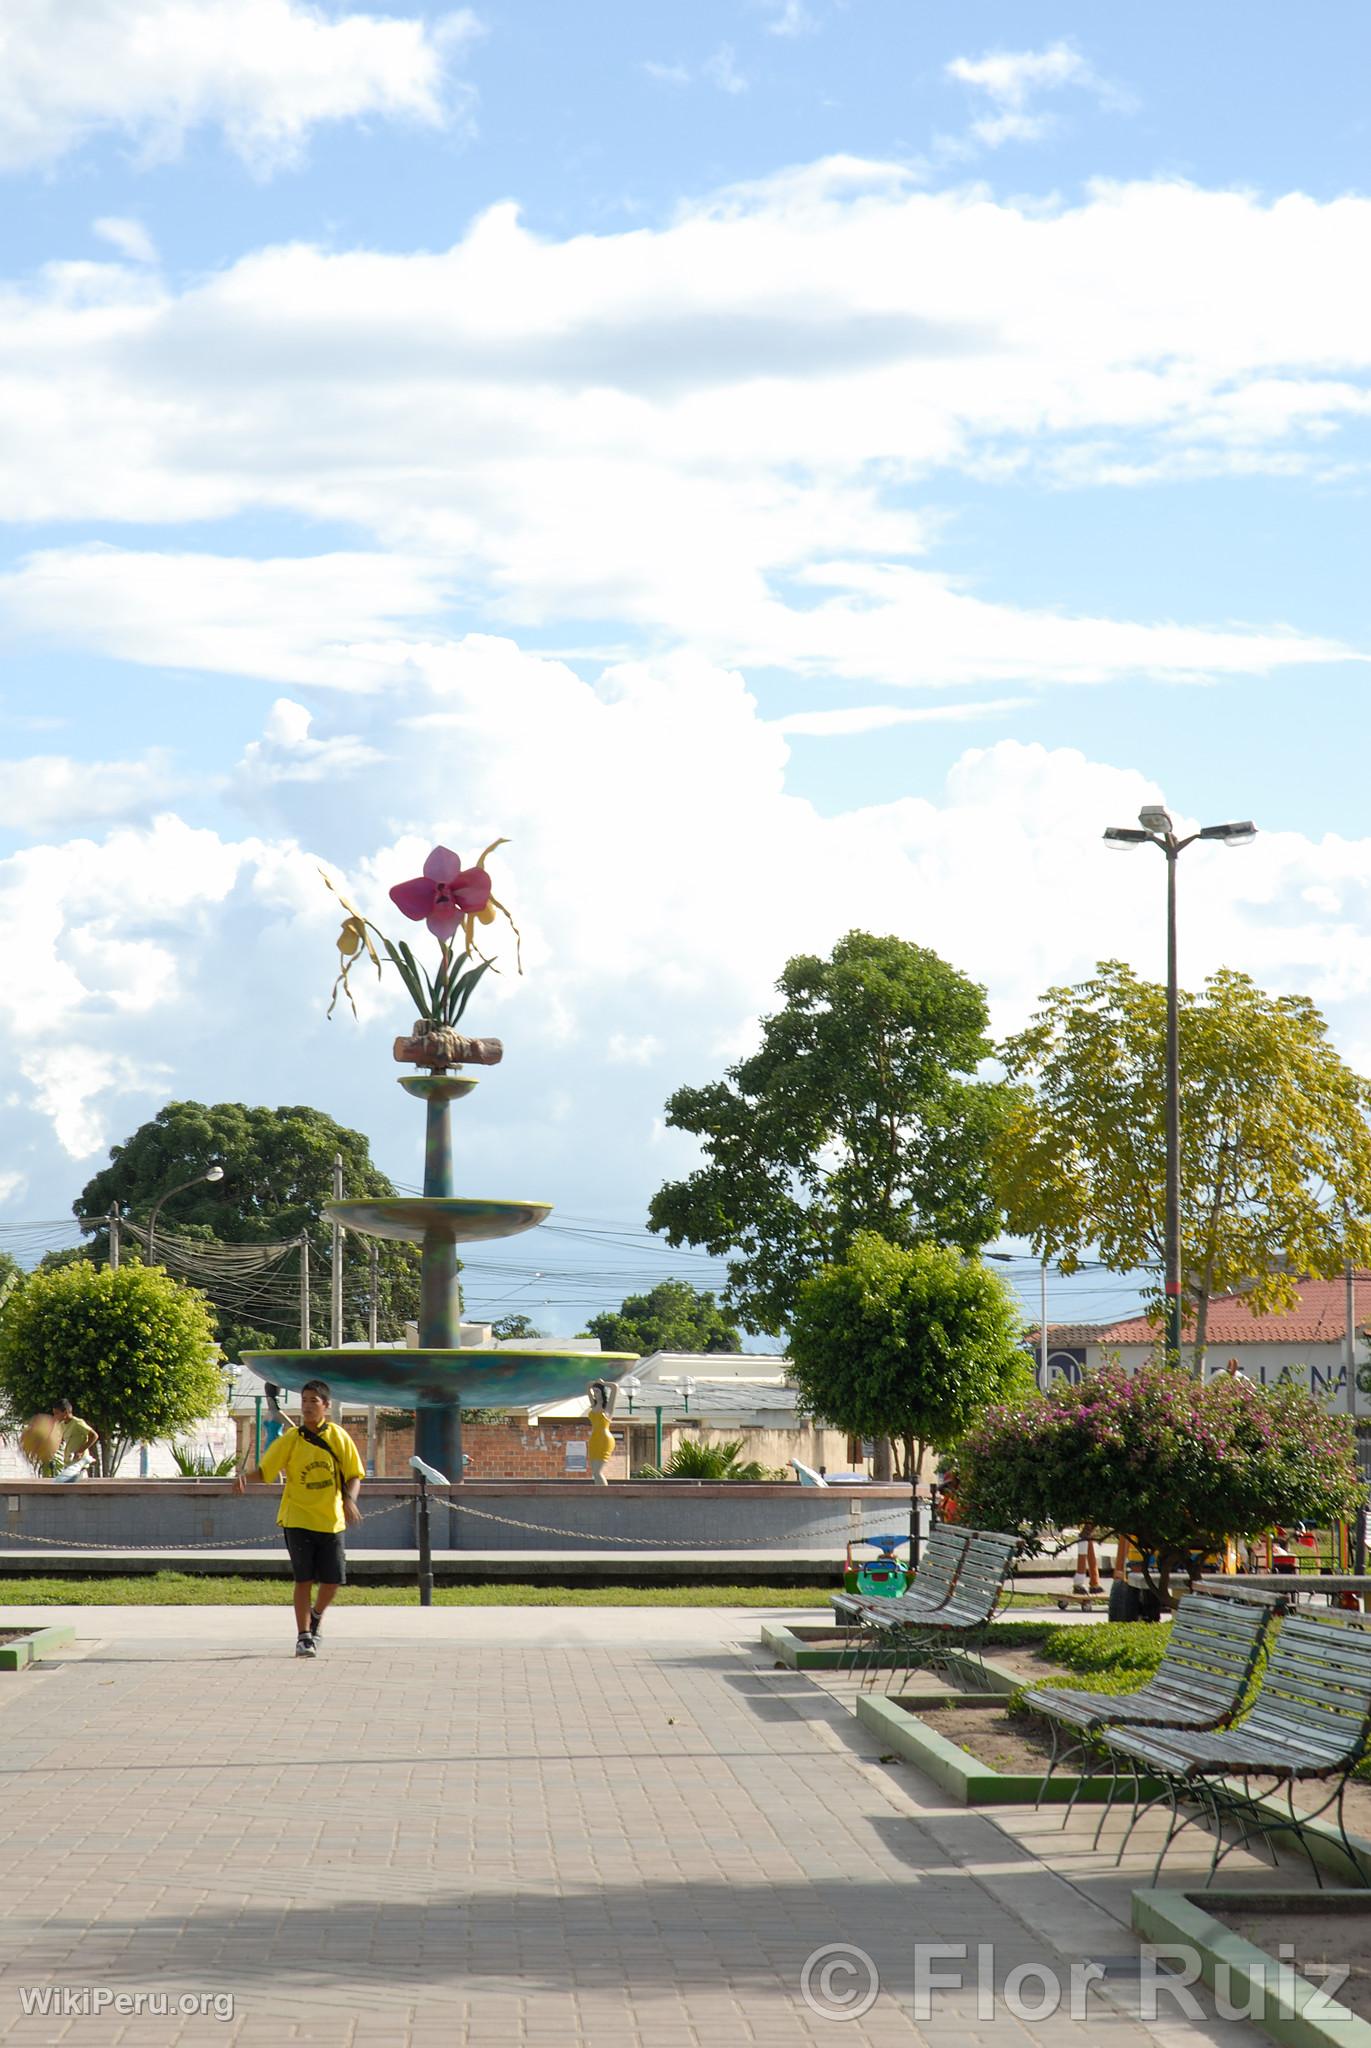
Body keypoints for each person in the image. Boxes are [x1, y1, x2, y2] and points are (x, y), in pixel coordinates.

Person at [234, 1378, 363, 1657]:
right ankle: (304, 1636)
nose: (307, 1406)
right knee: (303, 1579)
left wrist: (349, 1501)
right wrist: (245, 1478)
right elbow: (266, 1471)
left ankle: (315, 1616)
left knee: (333, 1581)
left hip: (330, 1521)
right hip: (297, 1519)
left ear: (326, 1405)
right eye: (304, 1401)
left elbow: (354, 1475)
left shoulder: (339, 1437)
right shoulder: (291, 1439)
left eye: (313, 1401)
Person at [22, 1399, 99, 1478]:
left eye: (57, 1413)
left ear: (65, 1412)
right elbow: (59, 1440)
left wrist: (80, 1451)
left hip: (79, 1465)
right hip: (69, 1464)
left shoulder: (78, 1423)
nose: (55, 1416)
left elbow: (94, 1436)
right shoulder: (62, 1425)